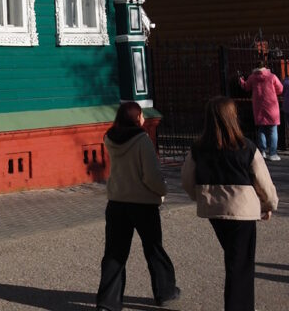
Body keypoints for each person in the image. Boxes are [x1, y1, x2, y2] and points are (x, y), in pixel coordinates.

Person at [181, 96, 278, 311]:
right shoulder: (246, 146)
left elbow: (187, 180)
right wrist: (268, 205)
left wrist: (201, 197)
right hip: (242, 210)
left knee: (233, 257)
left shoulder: (198, 149)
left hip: (215, 210)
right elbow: (264, 182)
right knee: (240, 263)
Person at [96, 102, 179, 311]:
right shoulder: (142, 140)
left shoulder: (109, 138)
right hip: (142, 203)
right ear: (137, 117)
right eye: (141, 115)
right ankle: (165, 291)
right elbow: (150, 175)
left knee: (114, 253)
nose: (143, 118)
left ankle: (108, 302)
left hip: (117, 201)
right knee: (153, 248)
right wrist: (162, 190)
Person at [238, 59, 284, 160]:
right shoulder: (272, 77)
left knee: (261, 129)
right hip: (271, 107)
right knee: (273, 130)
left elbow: (246, 87)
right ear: (266, 66)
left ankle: (262, 151)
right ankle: (272, 153)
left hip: (258, 107)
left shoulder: (252, 77)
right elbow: (280, 89)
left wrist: (241, 80)